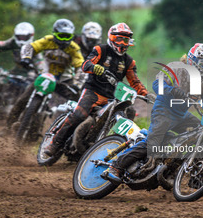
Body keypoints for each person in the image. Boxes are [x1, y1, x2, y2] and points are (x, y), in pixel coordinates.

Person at [101, 43, 203, 185]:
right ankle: (115, 167)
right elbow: (156, 84)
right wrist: (172, 90)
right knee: (153, 143)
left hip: (182, 116)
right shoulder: (176, 68)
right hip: (164, 110)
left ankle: (197, 177)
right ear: (193, 60)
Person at [45, 22, 153, 156]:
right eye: (119, 39)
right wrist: (94, 67)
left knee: (129, 112)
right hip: (92, 92)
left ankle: (111, 147)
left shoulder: (129, 61)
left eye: (126, 40)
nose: (122, 43)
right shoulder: (100, 50)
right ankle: (55, 143)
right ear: (112, 38)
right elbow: (85, 65)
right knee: (79, 115)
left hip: (112, 98)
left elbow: (135, 82)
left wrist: (146, 94)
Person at [2, 19, 85, 135]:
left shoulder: (74, 48)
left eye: (67, 37)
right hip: (45, 76)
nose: (64, 40)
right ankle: (7, 127)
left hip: (64, 81)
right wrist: (26, 58)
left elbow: (81, 67)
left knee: (79, 104)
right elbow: (30, 47)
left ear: (72, 36)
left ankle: (73, 134)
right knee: (22, 99)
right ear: (55, 34)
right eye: (61, 36)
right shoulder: (47, 40)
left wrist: (77, 85)